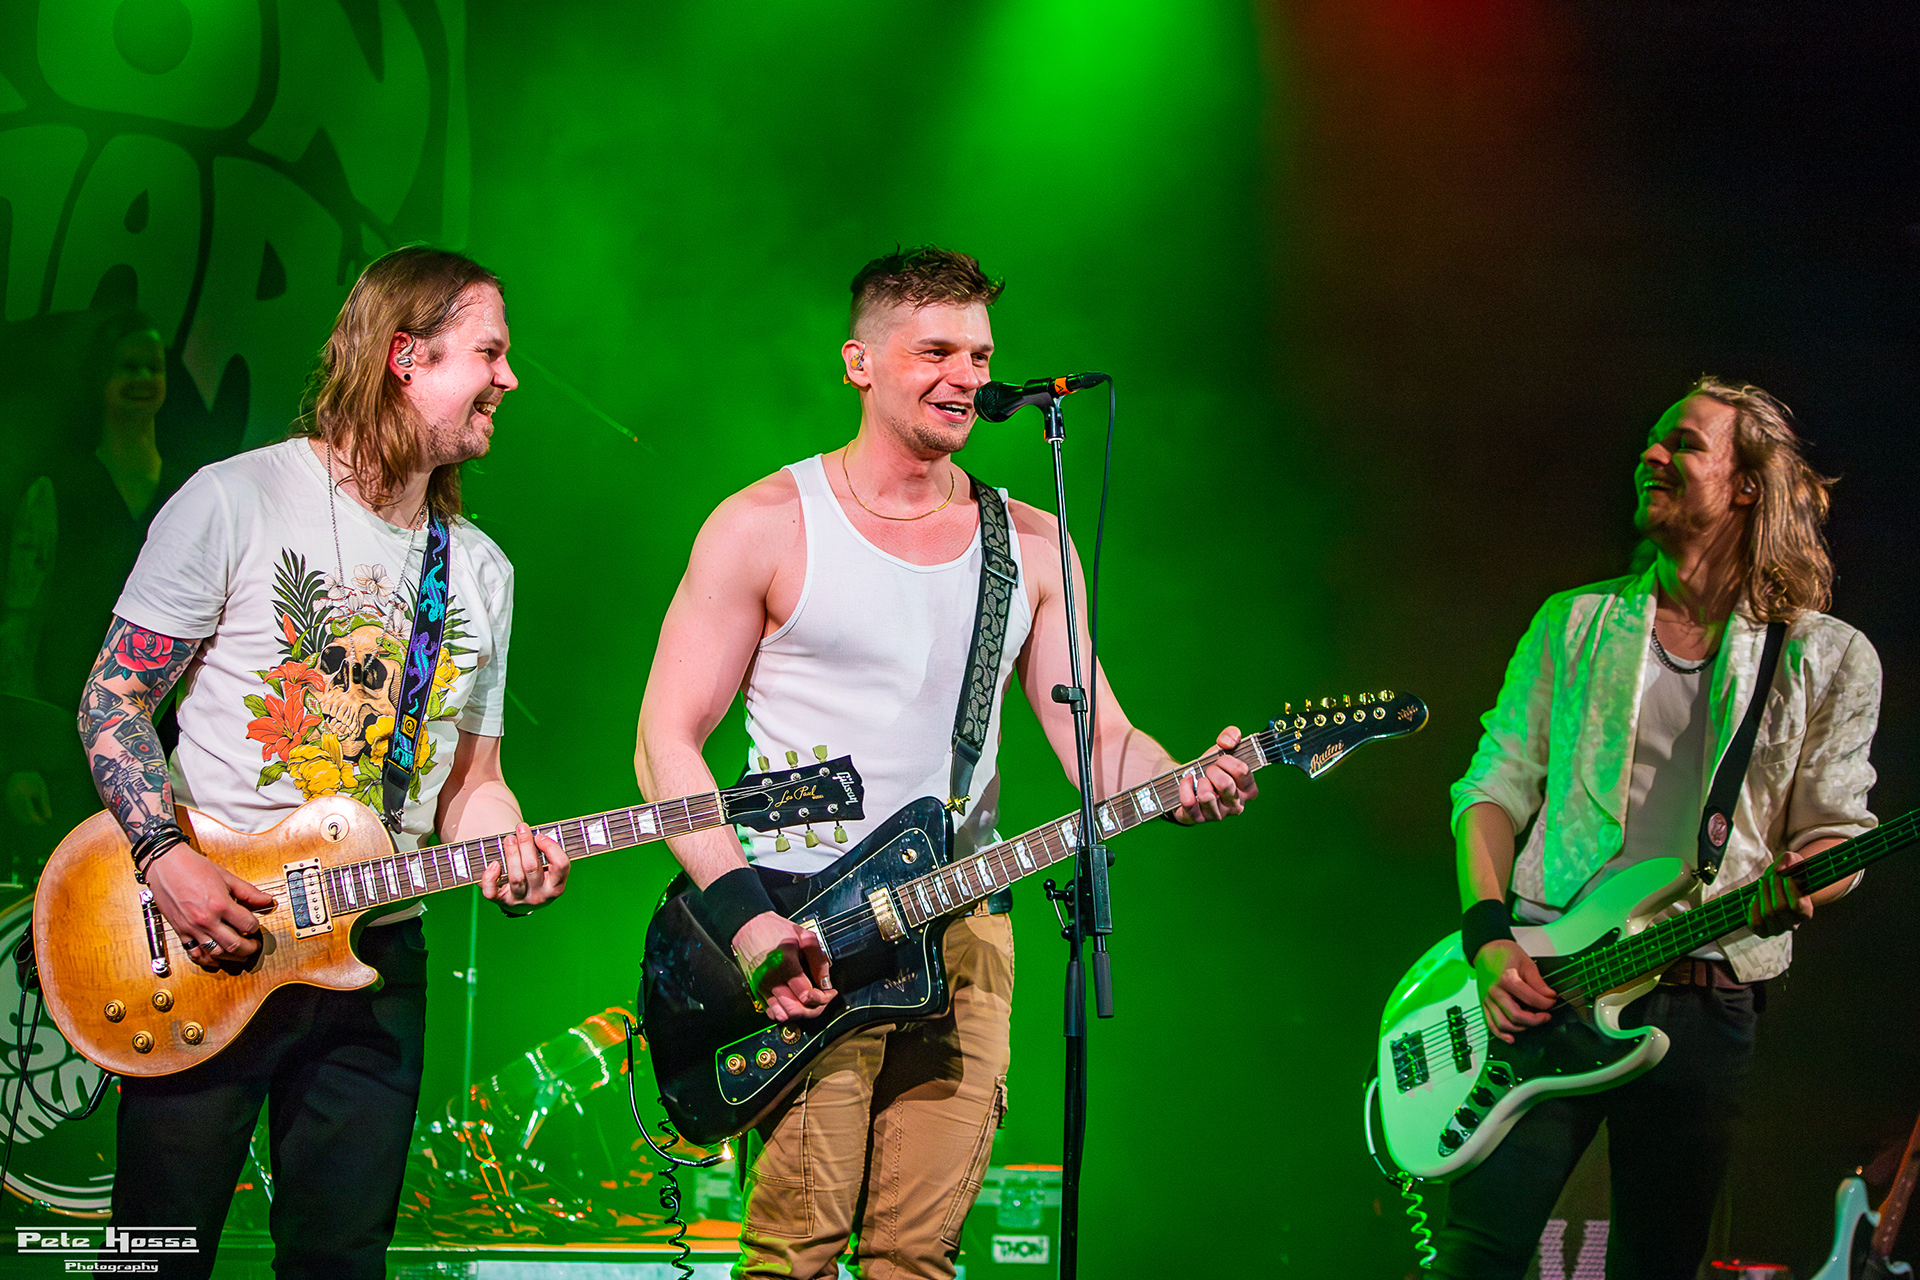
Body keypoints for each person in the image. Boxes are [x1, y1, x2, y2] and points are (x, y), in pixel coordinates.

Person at [634, 245, 1259, 1280]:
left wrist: (1179, 778)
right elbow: (665, 742)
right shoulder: (766, 525)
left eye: (980, 355)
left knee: (918, 1256)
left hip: (965, 925)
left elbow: (1100, 737)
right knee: (794, 1253)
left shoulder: (1030, 543)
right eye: (936, 351)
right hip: (807, 931)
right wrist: (747, 921)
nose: (967, 375)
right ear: (859, 363)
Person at [76, 246, 569, 1279]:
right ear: (406, 356)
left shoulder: (480, 570)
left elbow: (473, 784)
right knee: (155, 1253)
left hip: (377, 959)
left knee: (341, 1259)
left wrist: (508, 846)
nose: (510, 378)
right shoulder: (236, 499)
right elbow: (112, 701)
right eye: (489, 353)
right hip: (210, 939)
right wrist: (166, 857)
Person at [1430, 377, 1881, 1279]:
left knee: (1659, 1264)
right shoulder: (1573, 622)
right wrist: (1488, 937)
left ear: (1747, 485)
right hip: (1548, 981)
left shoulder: (1828, 655)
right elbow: (1491, 788)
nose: (1652, 455)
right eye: (1652, 440)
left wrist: (1807, 881)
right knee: (1478, 1254)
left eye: (1683, 443)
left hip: (1707, 998)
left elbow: (1836, 835)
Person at [2, 311, 186, 878]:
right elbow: (19, 620)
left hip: (165, 746)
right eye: (127, 367)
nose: (142, 379)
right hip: (63, 738)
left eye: (152, 367)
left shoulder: (191, 491)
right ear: (100, 380)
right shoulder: (56, 486)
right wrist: (20, 759)